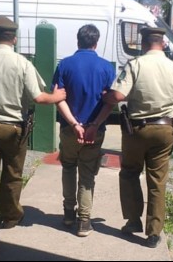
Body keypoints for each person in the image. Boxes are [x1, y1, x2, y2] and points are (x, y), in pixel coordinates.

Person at [0, 15, 66, 256]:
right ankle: (10, 216)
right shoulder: (22, 64)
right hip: (14, 130)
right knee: (12, 174)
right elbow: (39, 97)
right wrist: (57, 97)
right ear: (14, 38)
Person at [98, 27, 173, 248]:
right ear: (162, 43)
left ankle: (133, 221)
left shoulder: (135, 65)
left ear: (142, 44)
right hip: (164, 130)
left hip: (136, 131)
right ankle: (153, 233)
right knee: (157, 181)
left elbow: (119, 95)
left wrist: (106, 96)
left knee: (130, 173)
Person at [50, 24, 116, 237]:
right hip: (94, 130)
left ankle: (68, 213)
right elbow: (109, 102)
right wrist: (93, 125)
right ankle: (84, 221)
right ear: (96, 43)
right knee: (87, 174)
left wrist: (74, 124)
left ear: (78, 41)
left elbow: (57, 98)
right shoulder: (107, 67)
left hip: (70, 130)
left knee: (68, 167)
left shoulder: (65, 65)